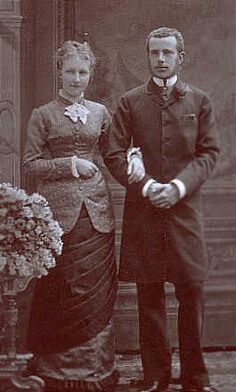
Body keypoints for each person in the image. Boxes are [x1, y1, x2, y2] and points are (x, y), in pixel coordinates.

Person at [102, 27, 220, 392]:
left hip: (185, 213)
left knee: (192, 295)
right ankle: (156, 376)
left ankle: (195, 378)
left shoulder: (199, 101)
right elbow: (114, 153)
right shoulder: (130, 101)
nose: (161, 59)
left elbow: (209, 153)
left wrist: (178, 187)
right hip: (145, 211)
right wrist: (150, 186)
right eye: (155, 53)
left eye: (168, 53)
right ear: (148, 56)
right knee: (149, 298)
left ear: (180, 57)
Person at [23, 40, 124, 392]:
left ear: (90, 73)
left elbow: (113, 156)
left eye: (83, 72)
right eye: (70, 72)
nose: (76, 79)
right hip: (58, 216)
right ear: (59, 73)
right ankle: (59, 372)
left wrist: (138, 166)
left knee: (95, 292)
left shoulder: (100, 112)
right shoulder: (43, 114)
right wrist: (70, 165)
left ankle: (96, 369)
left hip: (97, 212)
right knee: (63, 290)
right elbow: (30, 165)